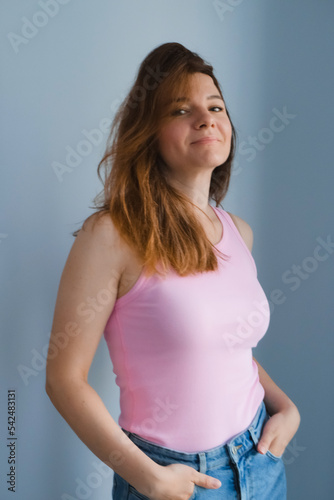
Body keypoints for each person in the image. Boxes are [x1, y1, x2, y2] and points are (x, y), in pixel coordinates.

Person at [45, 42, 301, 499]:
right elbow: (64, 379)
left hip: (261, 463)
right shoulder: (111, 235)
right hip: (173, 480)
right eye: (181, 110)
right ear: (150, 132)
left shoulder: (238, 232)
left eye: (215, 106)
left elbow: (227, 350)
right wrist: (149, 478)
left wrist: (285, 407)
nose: (205, 118)